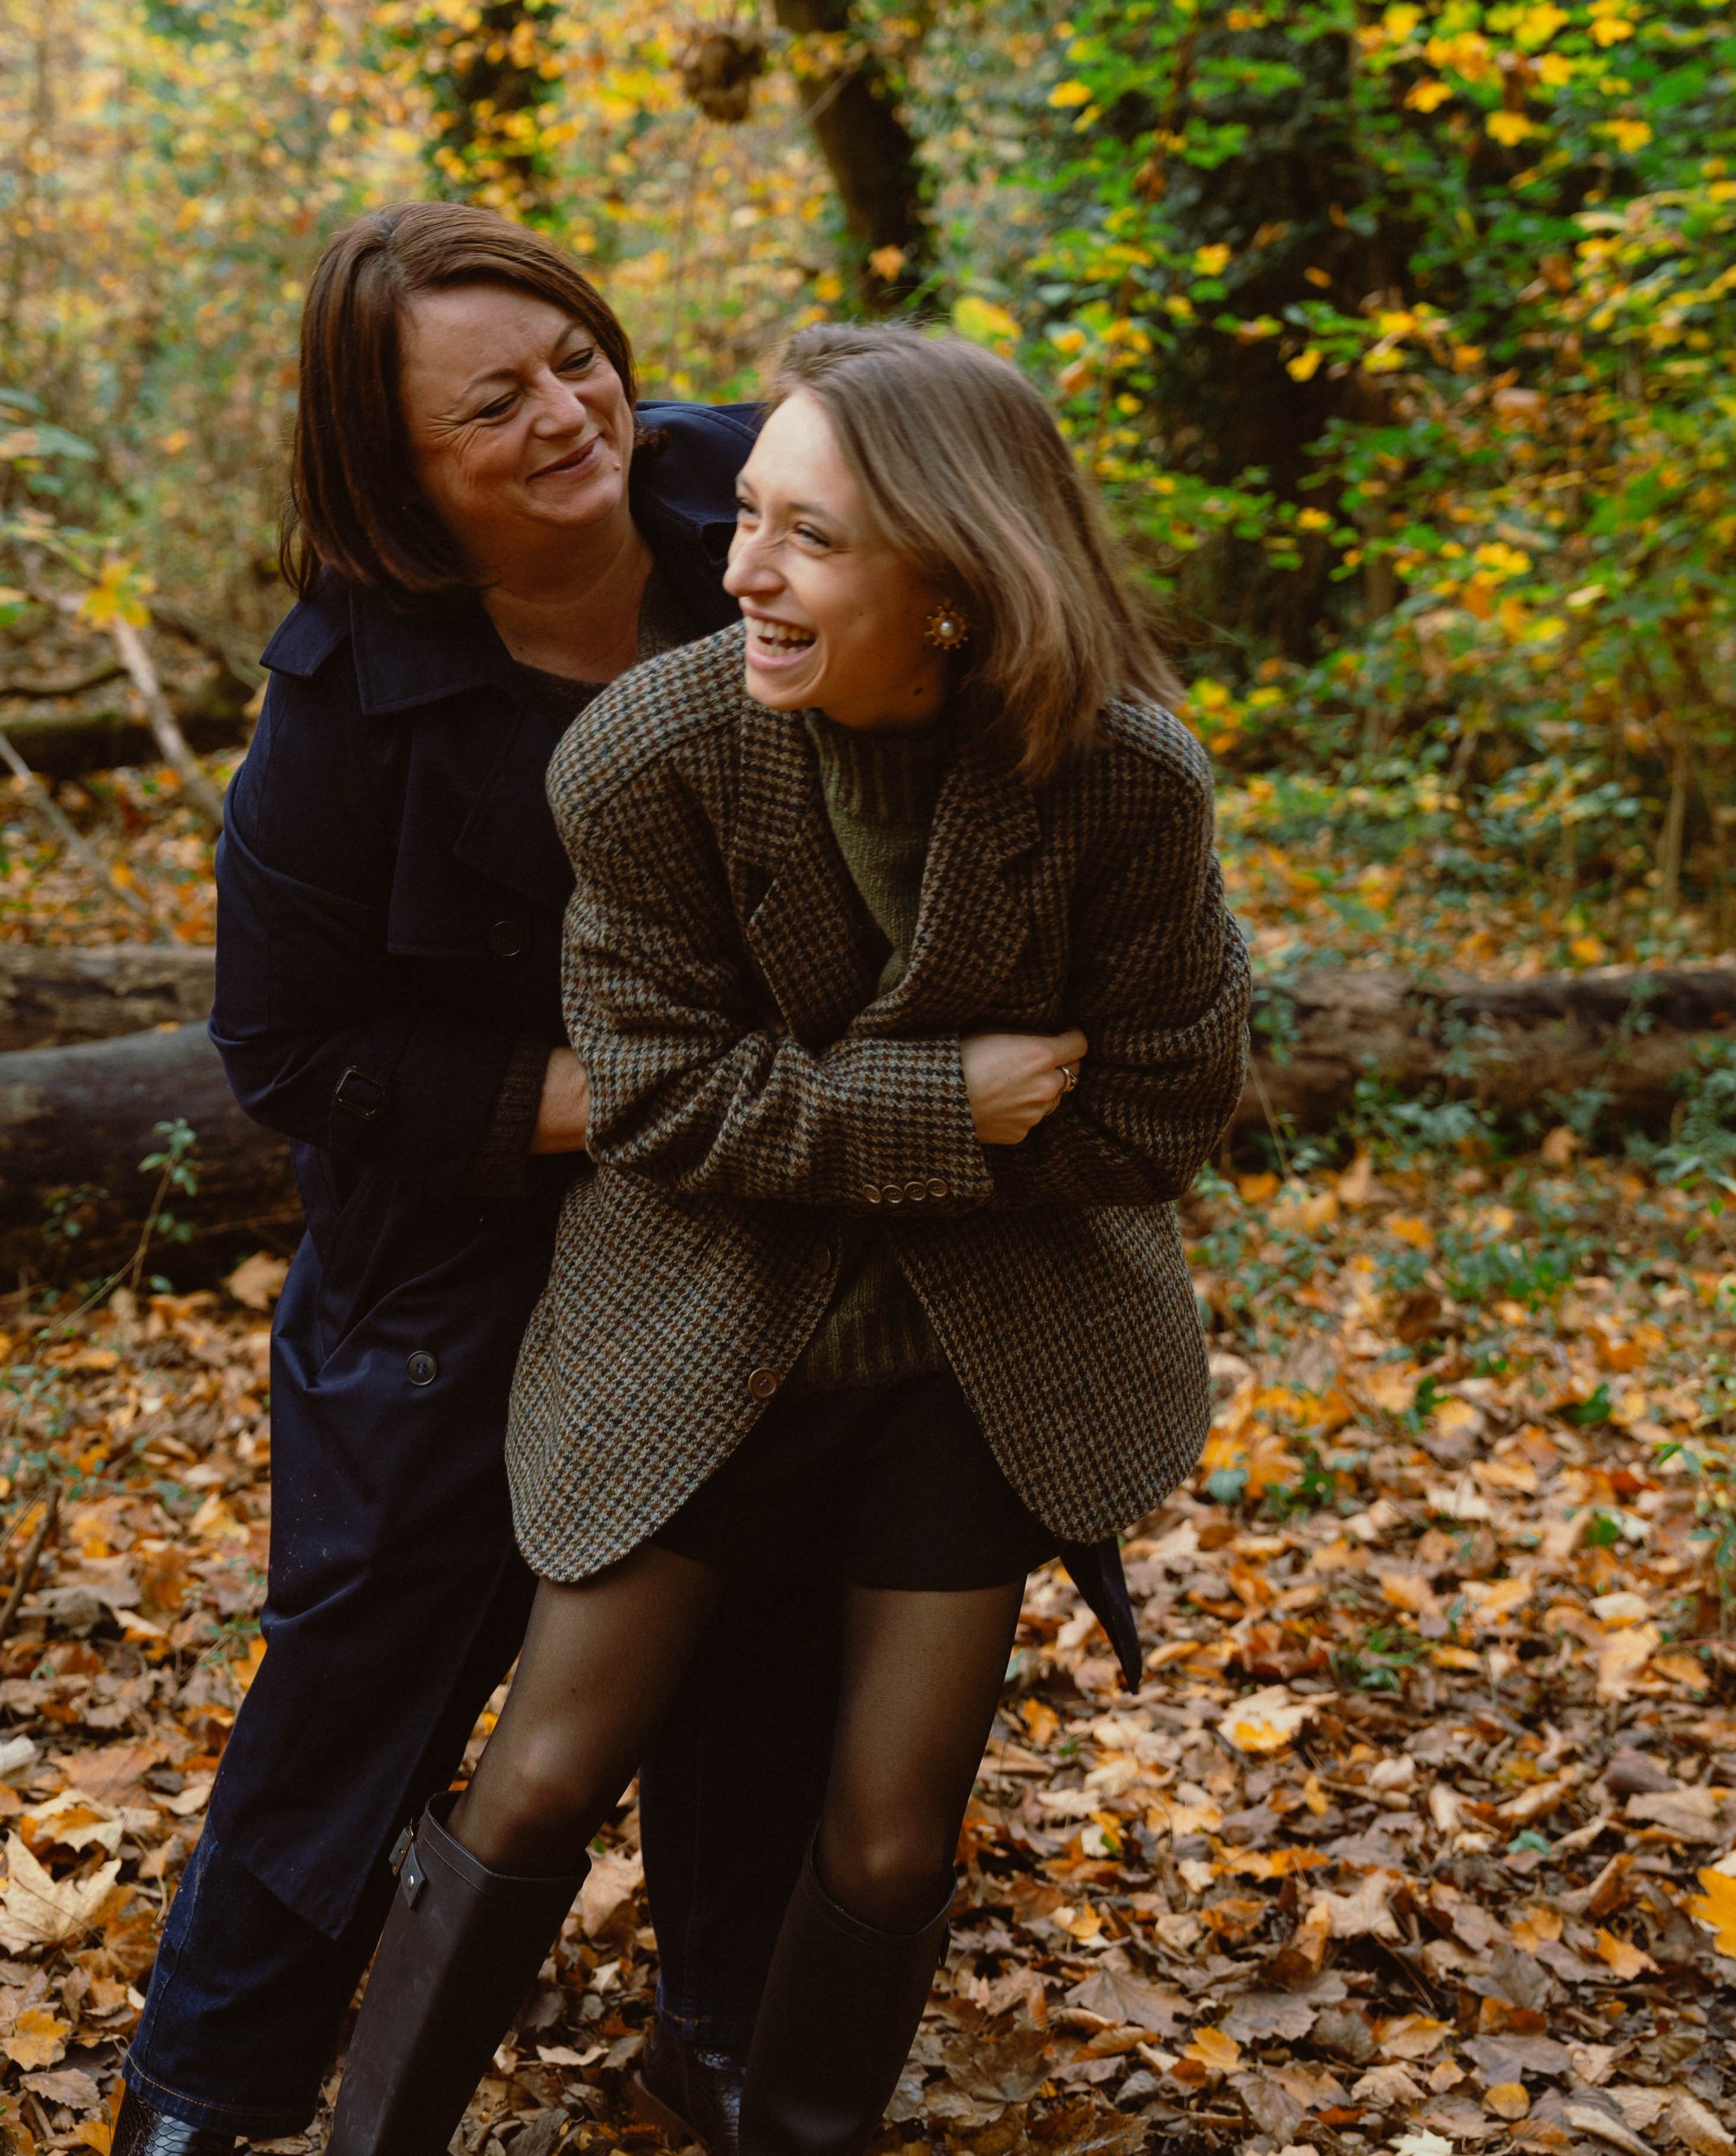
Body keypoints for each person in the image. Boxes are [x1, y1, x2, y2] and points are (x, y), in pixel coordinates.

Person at [322, 321, 1252, 2156]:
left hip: (975, 1367)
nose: (737, 568)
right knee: (543, 1778)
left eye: (808, 538)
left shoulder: (1125, 782)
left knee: (896, 1829)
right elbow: (659, 1105)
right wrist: (947, 1105)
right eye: (748, 515)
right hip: (698, 1333)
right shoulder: (649, 759)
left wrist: (816, 1117)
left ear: (964, 586)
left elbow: (1163, 1109)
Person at [114, 205, 844, 2156]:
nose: (563, 414)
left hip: (759, 1223)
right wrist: (644, 1098)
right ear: (397, 474)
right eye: (489, 405)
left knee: (763, 1624)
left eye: (573, 358)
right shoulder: (346, 702)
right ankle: (211, 2081)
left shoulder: (763, 499)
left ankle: (728, 2030)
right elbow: (289, 1051)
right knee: (368, 1661)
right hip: (452, 1263)